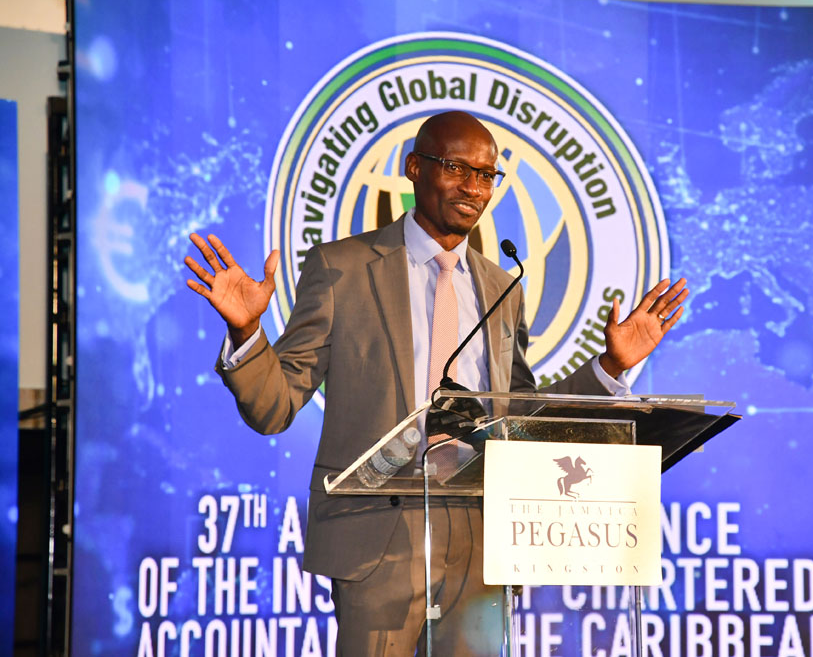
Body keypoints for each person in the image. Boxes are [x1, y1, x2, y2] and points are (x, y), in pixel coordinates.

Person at [185, 111, 687, 655]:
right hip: (378, 538)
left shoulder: (502, 287)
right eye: (456, 168)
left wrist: (609, 367)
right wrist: (247, 333)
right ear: (414, 168)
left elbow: (521, 420)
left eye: (487, 175)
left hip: (480, 541)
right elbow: (273, 407)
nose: (474, 187)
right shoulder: (341, 268)